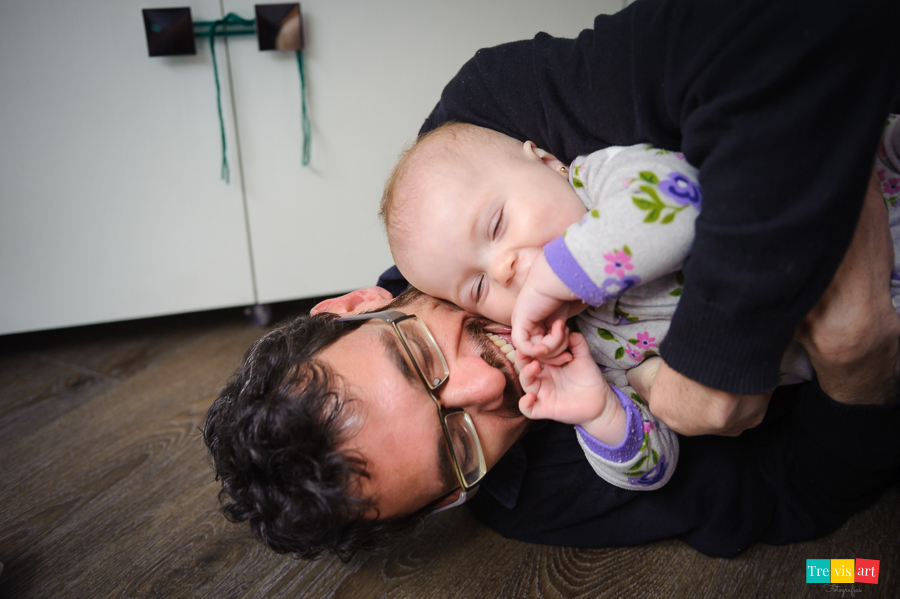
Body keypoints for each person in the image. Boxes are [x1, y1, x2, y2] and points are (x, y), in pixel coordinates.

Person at [202, 180, 900, 559]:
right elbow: (798, 509)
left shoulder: (464, 169)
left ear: (358, 303)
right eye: (457, 444)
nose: (488, 383)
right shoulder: (541, 493)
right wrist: (858, 358)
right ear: (451, 499)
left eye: (417, 358)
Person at [413, 0, 900, 436]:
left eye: (497, 225)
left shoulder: (602, 178)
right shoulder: (585, 347)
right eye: (478, 289)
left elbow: (681, 203)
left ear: (546, 162)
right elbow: (659, 457)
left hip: (866, 189)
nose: (502, 270)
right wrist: (599, 414)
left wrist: (555, 277)